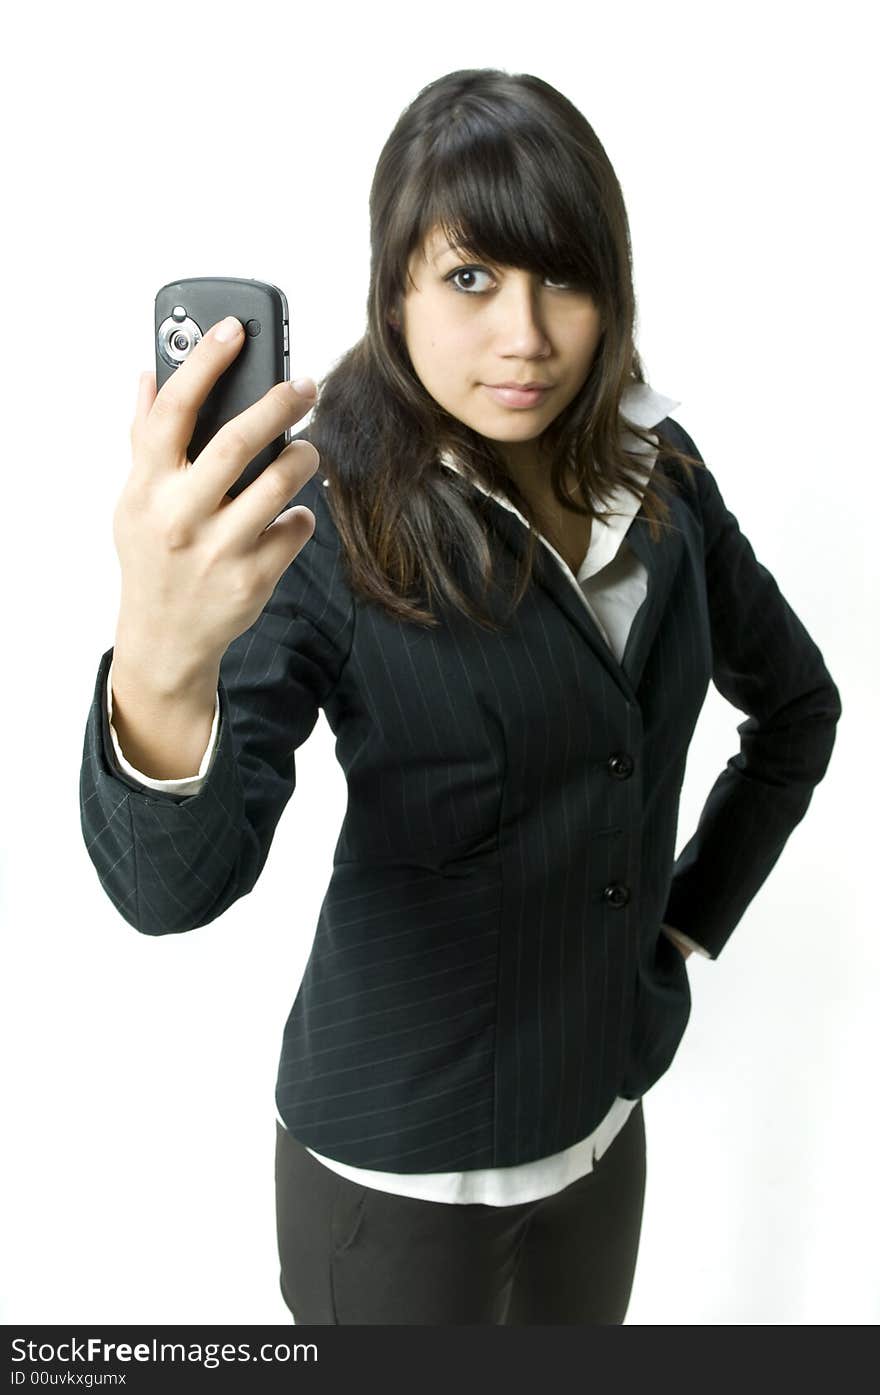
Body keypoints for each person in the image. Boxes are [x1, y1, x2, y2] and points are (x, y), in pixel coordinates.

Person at [79, 68, 842, 1325]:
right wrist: (160, 653)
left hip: (601, 1130)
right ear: (394, 289)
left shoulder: (663, 472)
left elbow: (797, 709)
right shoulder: (318, 514)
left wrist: (680, 929)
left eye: (564, 278)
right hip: (391, 1180)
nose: (528, 336)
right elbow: (171, 888)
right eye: (472, 279)